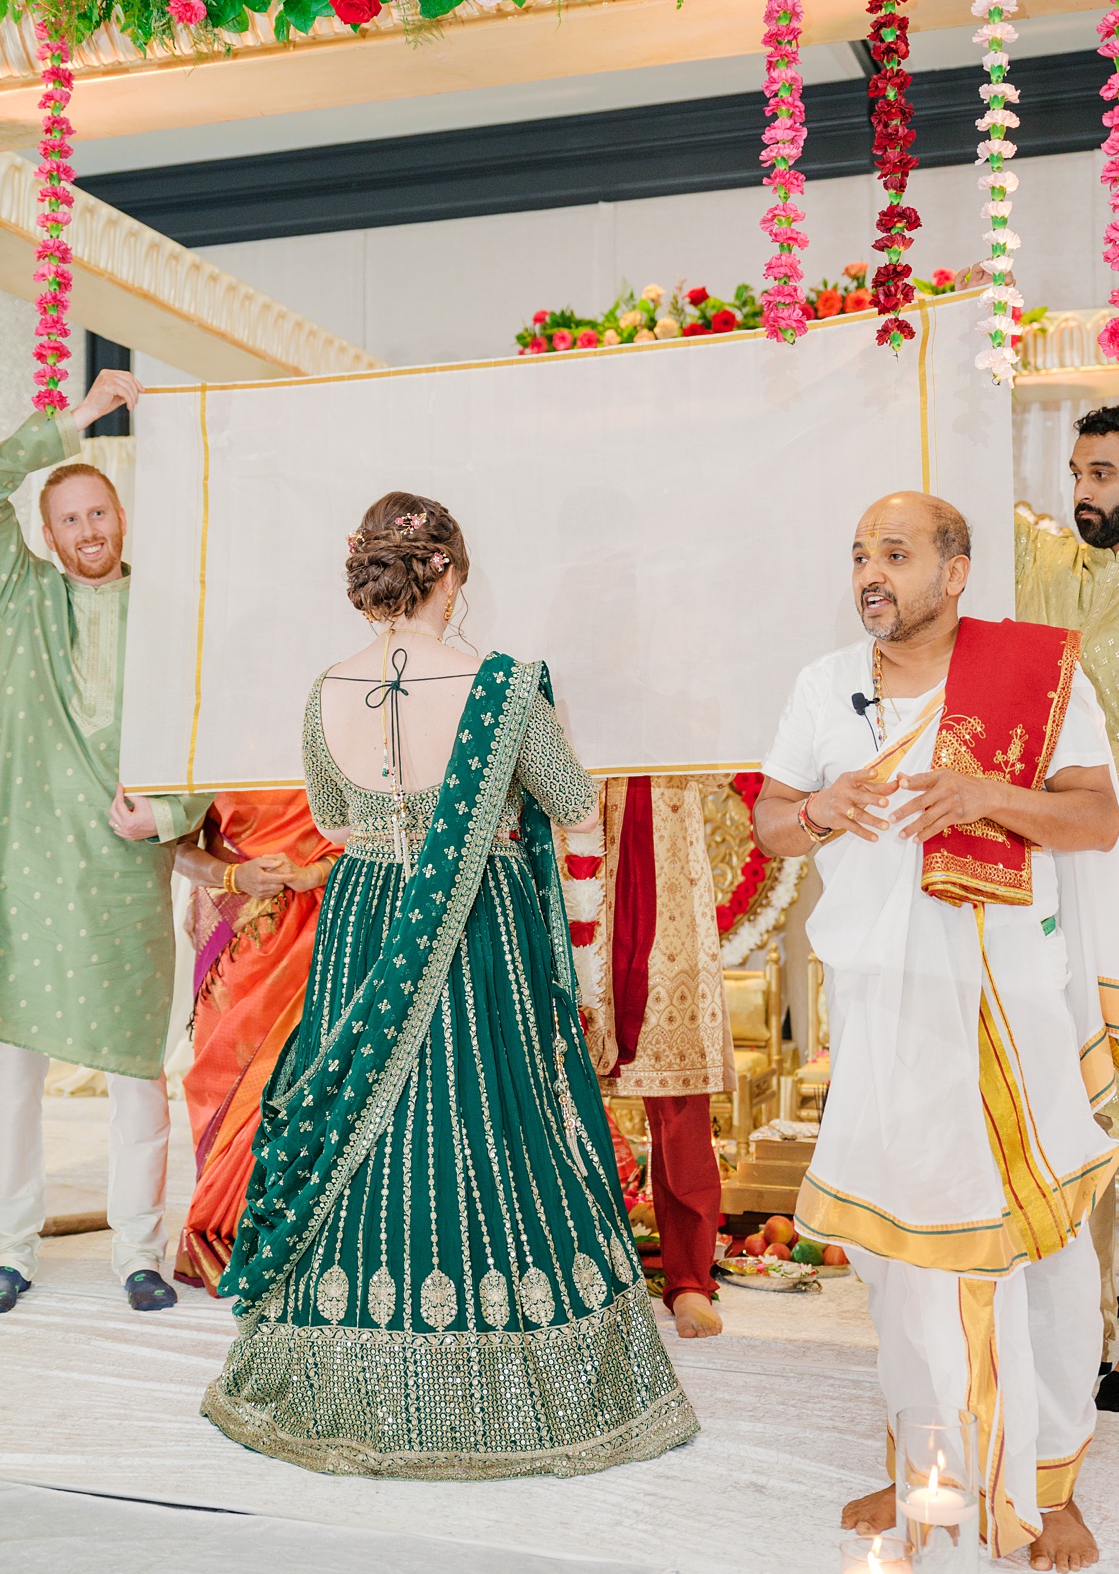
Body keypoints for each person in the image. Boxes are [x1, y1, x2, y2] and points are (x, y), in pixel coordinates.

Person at [206, 494, 695, 1479]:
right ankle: (507, 1377)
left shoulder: (324, 688)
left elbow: (337, 815)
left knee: (368, 1131)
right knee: (491, 1128)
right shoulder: (503, 687)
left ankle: (342, 1370)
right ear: (451, 576)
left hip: (359, 923)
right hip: (478, 927)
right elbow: (571, 801)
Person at [757, 491, 1118, 1572]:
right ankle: (931, 1457)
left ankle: (1049, 1483)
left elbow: (1099, 815)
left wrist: (987, 794)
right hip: (883, 1008)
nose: (872, 571)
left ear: (955, 572)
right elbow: (774, 817)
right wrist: (823, 808)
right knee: (896, 1251)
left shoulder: (1039, 678)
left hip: (1005, 1003)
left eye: (898, 553)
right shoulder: (825, 685)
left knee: (1032, 1240)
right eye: (860, 552)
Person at [0, 367, 207, 1316]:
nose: (88, 532)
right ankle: (11, 1249)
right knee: (14, 1070)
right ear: (49, 537)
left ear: (120, 520)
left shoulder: (167, 618)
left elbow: (199, 731)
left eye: (100, 515)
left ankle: (140, 1251)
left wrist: (169, 818)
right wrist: (75, 423)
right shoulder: (29, 596)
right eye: (71, 520)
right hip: (30, 860)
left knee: (135, 1068)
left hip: (121, 859)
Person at [1014, 402, 1119, 1408]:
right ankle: (1084, 1332)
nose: (1089, 492)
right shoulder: (1041, 563)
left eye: (1107, 476)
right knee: (1083, 1104)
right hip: (1061, 869)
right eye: (1082, 472)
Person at [580, 776, 733, 1339]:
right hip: (569, 861)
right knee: (552, 1096)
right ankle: (572, 1273)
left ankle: (689, 1279)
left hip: (663, 862)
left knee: (680, 1101)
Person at [171, 792, 337, 1292]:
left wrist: (316, 872)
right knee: (225, 1081)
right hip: (240, 931)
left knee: (318, 1081)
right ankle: (228, 1231)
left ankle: (306, 1239)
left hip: (327, 924)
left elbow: (381, 830)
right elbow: (174, 846)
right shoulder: (209, 729)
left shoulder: (345, 719)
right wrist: (233, 877)